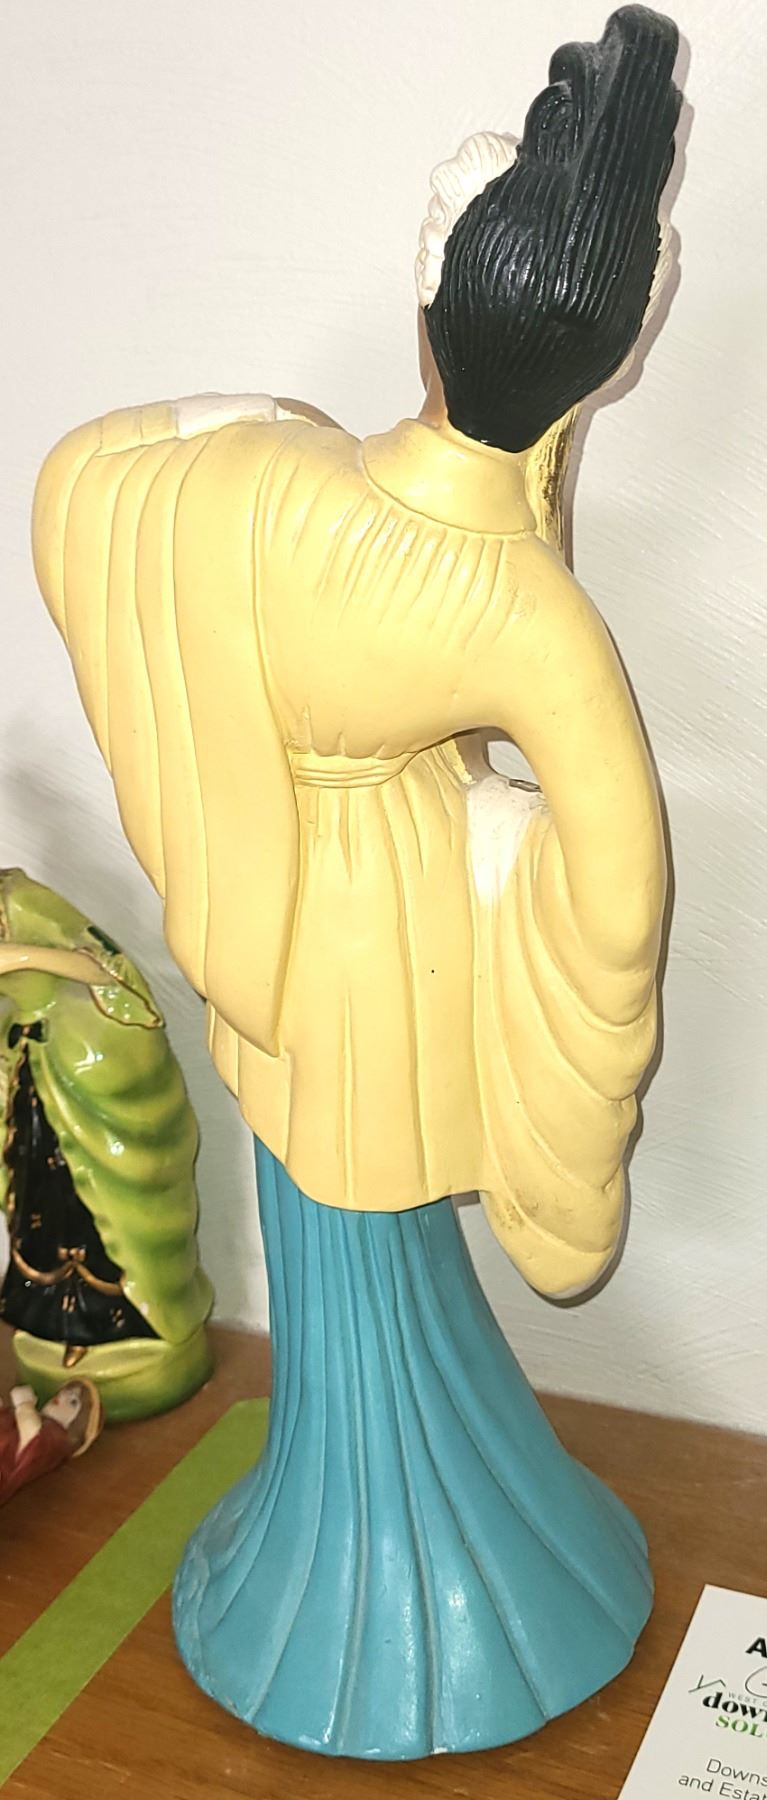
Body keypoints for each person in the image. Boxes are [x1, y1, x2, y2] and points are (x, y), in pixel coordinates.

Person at [30, 4, 681, 1761]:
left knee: (334, 1244)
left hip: (283, 915)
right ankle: (417, 1567)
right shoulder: (522, 613)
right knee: (367, 1224)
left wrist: (268, 416)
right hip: (399, 953)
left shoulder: (271, 479)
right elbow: (618, 886)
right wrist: (526, 915)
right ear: (609, 357)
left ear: (426, 304)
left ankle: (355, 1565)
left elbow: (83, 476)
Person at [0, 1379, 103, 1505]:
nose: (60, 1398)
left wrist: (24, 1404)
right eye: (61, 1394)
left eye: (72, 1402)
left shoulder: (56, 1437)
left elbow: (32, 1435)